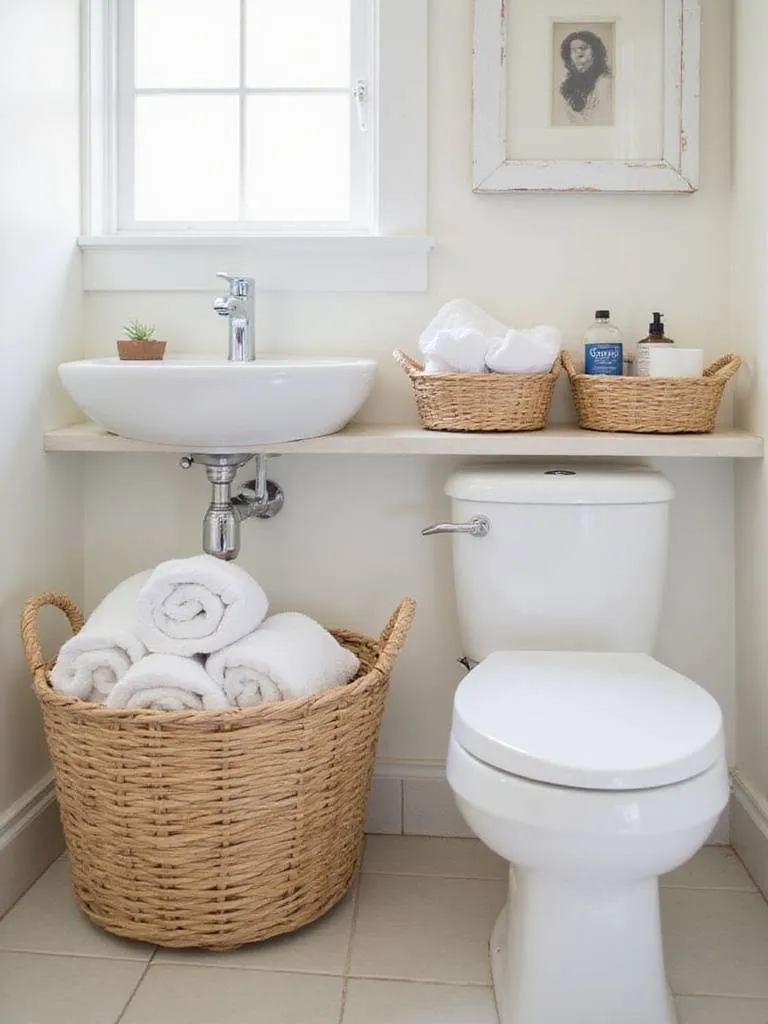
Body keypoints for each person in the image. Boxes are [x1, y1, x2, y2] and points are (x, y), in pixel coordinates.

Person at [558, 30, 612, 125]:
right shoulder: (568, 86)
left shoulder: (605, 83)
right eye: (573, 50)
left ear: (595, 52)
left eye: (583, 48)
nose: (579, 53)